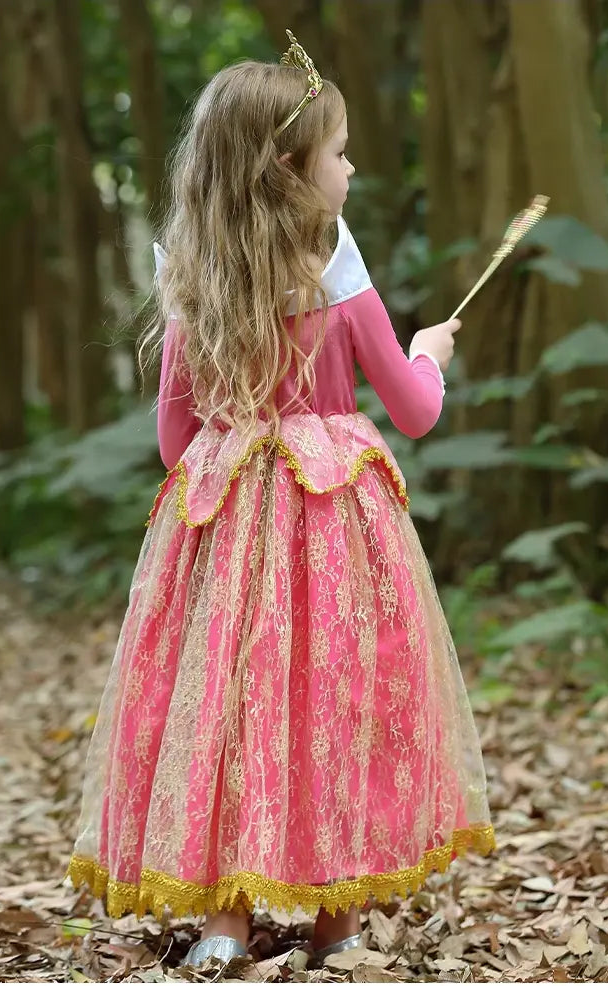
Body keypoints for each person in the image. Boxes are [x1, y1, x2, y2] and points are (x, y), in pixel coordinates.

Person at [66, 29, 494, 970]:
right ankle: (337, 915)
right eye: (339, 152)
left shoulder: (196, 282)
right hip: (334, 528)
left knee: (227, 705)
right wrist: (429, 352)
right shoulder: (341, 276)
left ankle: (225, 918)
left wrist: (239, 451)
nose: (352, 166)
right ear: (293, 167)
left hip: (223, 531)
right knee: (337, 700)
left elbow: (176, 443)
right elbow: (416, 412)